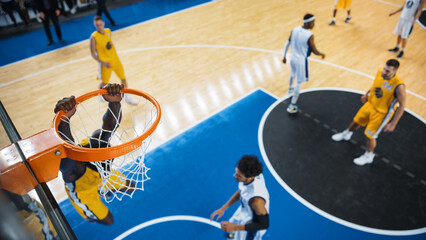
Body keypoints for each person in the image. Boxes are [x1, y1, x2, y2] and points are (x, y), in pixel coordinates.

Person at [55, 83, 134, 224]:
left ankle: (102, 188)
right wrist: (63, 120)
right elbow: (67, 149)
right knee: (108, 220)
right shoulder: (74, 168)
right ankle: (90, 212)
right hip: (84, 190)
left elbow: (108, 128)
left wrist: (115, 103)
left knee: (131, 187)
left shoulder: (99, 144)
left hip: (101, 176)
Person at [331, 59, 406, 166]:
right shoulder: (380, 72)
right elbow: (376, 85)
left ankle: (368, 156)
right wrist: (367, 94)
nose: (384, 72)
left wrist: (393, 123)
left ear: (395, 72)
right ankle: (346, 134)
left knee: (370, 136)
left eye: (388, 71)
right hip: (370, 104)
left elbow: (402, 106)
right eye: (384, 69)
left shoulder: (399, 86)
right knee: (356, 121)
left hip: (381, 114)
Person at [210, 155, 269, 240]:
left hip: (251, 227)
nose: (234, 175)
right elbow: (242, 190)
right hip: (244, 211)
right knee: (231, 229)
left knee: (236, 232)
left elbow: (264, 224)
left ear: (250, 177)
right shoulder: (250, 175)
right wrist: (224, 208)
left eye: (238, 175)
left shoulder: (257, 201)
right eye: (236, 173)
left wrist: (235, 227)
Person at [282, 13, 326, 114]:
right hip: (301, 61)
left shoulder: (295, 29)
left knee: (292, 74)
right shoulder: (309, 35)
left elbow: (287, 42)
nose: (314, 24)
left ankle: (289, 90)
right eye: (313, 22)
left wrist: (284, 56)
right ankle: (292, 106)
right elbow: (314, 50)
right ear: (308, 23)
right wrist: (321, 54)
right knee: (299, 82)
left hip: (292, 57)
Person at [90, 16, 137, 105]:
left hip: (115, 60)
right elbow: (93, 54)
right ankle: (99, 91)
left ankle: (127, 97)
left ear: (103, 23)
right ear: (95, 25)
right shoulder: (93, 37)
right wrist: (103, 62)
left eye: (100, 24)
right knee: (105, 82)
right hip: (105, 63)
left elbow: (110, 44)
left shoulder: (108, 31)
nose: (99, 26)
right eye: (97, 25)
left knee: (123, 78)